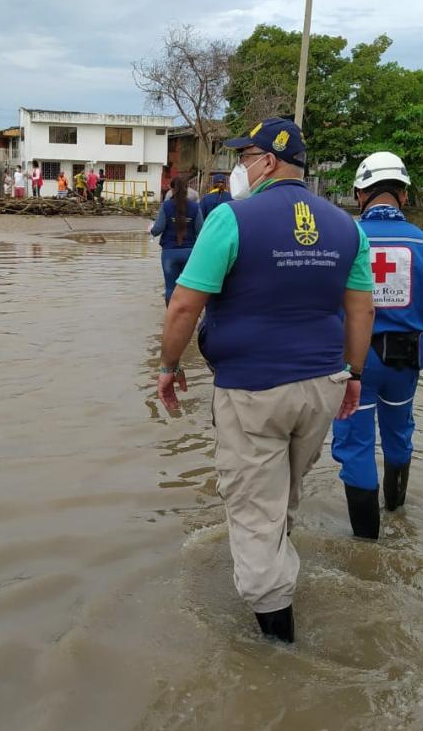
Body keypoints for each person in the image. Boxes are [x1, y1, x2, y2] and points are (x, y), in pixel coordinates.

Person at [156, 117, 375, 643]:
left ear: (269, 161)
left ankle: (279, 648)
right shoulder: (349, 227)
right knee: (285, 494)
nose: (242, 167)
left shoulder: (232, 219)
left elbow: (186, 303)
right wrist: (355, 375)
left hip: (253, 391)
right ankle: (277, 569)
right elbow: (361, 309)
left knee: (253, 509)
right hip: (322, 384)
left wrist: (168, 367)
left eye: (246, 156)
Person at [331, 152, 423, 540]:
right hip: (405, 362)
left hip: (353, 362)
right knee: (399, 432)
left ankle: (366, 545)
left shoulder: (343, 239)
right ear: (404, 195)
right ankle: (396, 511)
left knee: (355, 443)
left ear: (359, 193)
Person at [150, 176, 203, 304]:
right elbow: (201, 231)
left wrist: (151, 229)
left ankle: (170, 318)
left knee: (170, 288)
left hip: (169, 253)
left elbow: (158, 229)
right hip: (189, 253)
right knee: (188, 288)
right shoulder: (195, 207)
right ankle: (187, 317)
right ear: (187, 189)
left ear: (171, 189)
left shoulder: (166, 206)